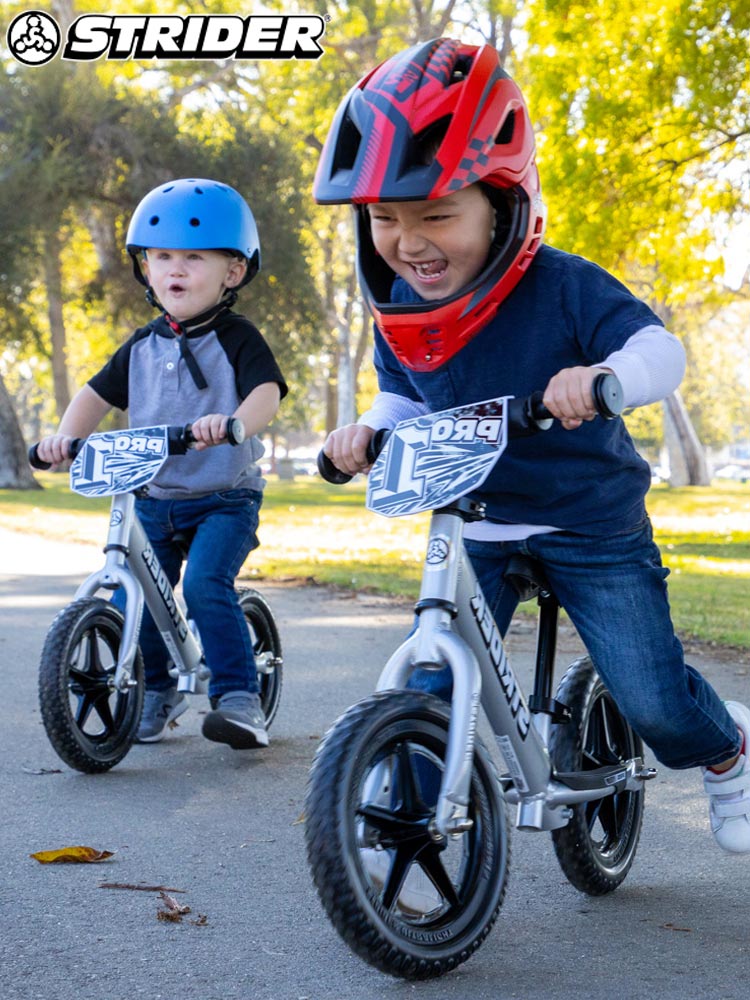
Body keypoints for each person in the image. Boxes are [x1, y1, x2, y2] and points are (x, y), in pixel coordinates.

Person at [315, 38, 750, 853]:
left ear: (504, 202)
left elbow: (663, 351)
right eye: (385, 218)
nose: (408, 243)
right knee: (431, 676)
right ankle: (401, 811)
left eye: (437, 214)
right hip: (474, 519)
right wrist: (369, 433)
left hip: (590, 522)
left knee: (650, 696)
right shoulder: (403, 306)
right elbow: (407, 396)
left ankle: (729, 749)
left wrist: (603, 376)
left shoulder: (564, 283)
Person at [35, 178, 287, 750]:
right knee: (136, 595)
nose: (175, 268)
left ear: (233, 271)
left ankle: (238, 696)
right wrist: (63, 439)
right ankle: (153, 690)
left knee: (203, 585)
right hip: (155, 497)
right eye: (161, 256)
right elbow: (95, 396)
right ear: (145, 269)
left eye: (194, 257)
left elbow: (267, 392)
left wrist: (234, 424)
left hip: (225, 496)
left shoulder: (237, 338)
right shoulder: (141, 346)